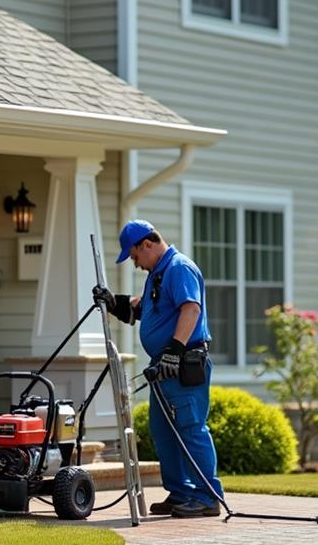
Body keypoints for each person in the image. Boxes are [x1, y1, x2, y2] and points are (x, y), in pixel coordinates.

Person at [94, 219, 224, 518]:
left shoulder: (179, 267)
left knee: (191, 429)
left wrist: (175, 351)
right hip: (164, 367)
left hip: (183, 364)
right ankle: (181, 494)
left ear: (147, 245)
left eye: (135, 256)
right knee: (163, 430)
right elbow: (145, 308)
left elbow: (191, 308)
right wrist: (114, 302)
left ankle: (207, 497)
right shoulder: (158, 273)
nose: (135, 263)